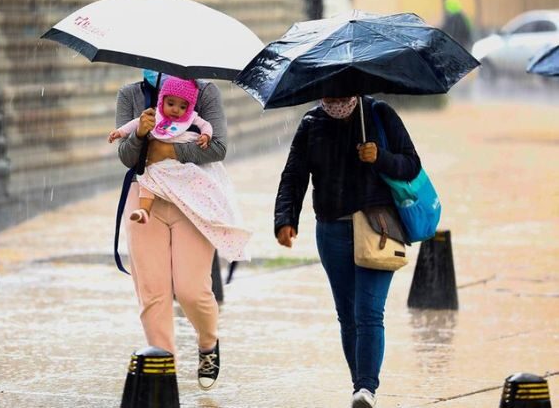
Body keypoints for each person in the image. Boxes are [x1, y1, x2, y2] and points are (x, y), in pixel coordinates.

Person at [274, 95, 421, 408]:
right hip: (332, 230)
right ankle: (360, 388)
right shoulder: (312, 123)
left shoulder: (379, 114)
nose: (336, 94)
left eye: (343, 87)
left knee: (368, 312)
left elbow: (411, 165)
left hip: (377, 226)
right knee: (348, 314)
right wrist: (285, 219)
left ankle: (367, 388)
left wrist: (379, 157)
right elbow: (294, 175)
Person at [114, 70, 250, 391]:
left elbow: (217, 148)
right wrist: (139, 136)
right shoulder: (130, 94)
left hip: (193, 197)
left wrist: (171, 151)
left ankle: (207, 342)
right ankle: (165, 374)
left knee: (191, 289)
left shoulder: (205, 92)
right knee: (152, 292)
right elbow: (126, 157)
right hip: (146, 196)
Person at [109, 77, 213, 224]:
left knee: (193, 173)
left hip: (179, 159)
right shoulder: (154, 114)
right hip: (156, 163)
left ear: (189, 108)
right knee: (146, 177)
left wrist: (206, 135)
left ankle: (202, 207)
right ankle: (144, 210)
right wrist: (119, 132)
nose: (176, 110)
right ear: (162, 100)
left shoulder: (192, 118)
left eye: (183, 107)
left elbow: (206, 125)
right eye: (170, 103)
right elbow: (134, 123)